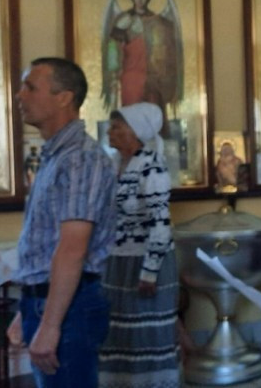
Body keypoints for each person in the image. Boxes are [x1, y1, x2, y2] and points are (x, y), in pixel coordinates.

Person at [6, 58, 117, 387]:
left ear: (64, 97)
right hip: (49, 302)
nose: (20, 95)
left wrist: (50, 324)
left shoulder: (81, 158)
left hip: (71, 308)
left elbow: (72, 250)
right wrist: (28, 308)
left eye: (31, 87)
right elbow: (46, 244)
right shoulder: (57, 155)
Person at [99, 102, 179, 388]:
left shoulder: (151, 166)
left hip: (145, 264)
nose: (110, 132)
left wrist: (150, 271)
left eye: (116, 127)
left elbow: (160, 222)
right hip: (118, 263)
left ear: (135, 132)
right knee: (119, 334)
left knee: (146, 334)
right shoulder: (114, 165)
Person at [104, 0, 181, 112]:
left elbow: (167, 50)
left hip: (153, 77)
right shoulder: (125, 19)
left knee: (153, 112)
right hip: (132, 75)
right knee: (132, 112)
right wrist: (113, 71)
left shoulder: (157, 21)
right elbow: (112, 47)